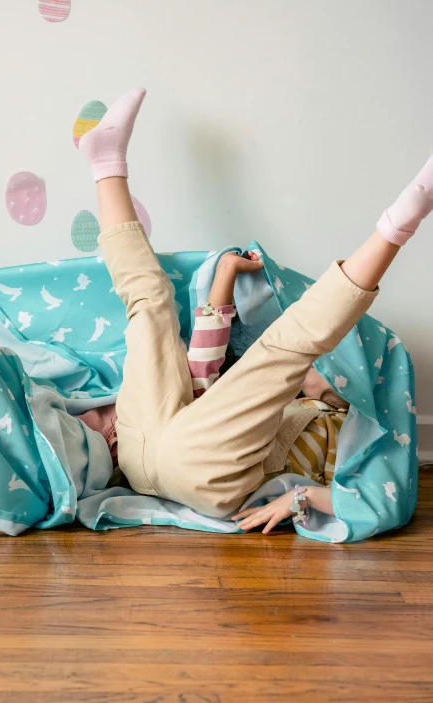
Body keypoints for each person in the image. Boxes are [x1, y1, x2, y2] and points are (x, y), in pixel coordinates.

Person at [76, 88, 433, 534]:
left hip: (198, 477)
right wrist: (225, 273)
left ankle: (404, 218)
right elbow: (201, 378)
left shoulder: (348, 431)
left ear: (356, 391)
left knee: (290, 343)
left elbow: (382, 502)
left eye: (334, 371)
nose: (323, 369)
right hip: (141, 450)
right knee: (149, 305)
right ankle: (105, 163)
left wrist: (299, 497)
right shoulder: (269, 401)